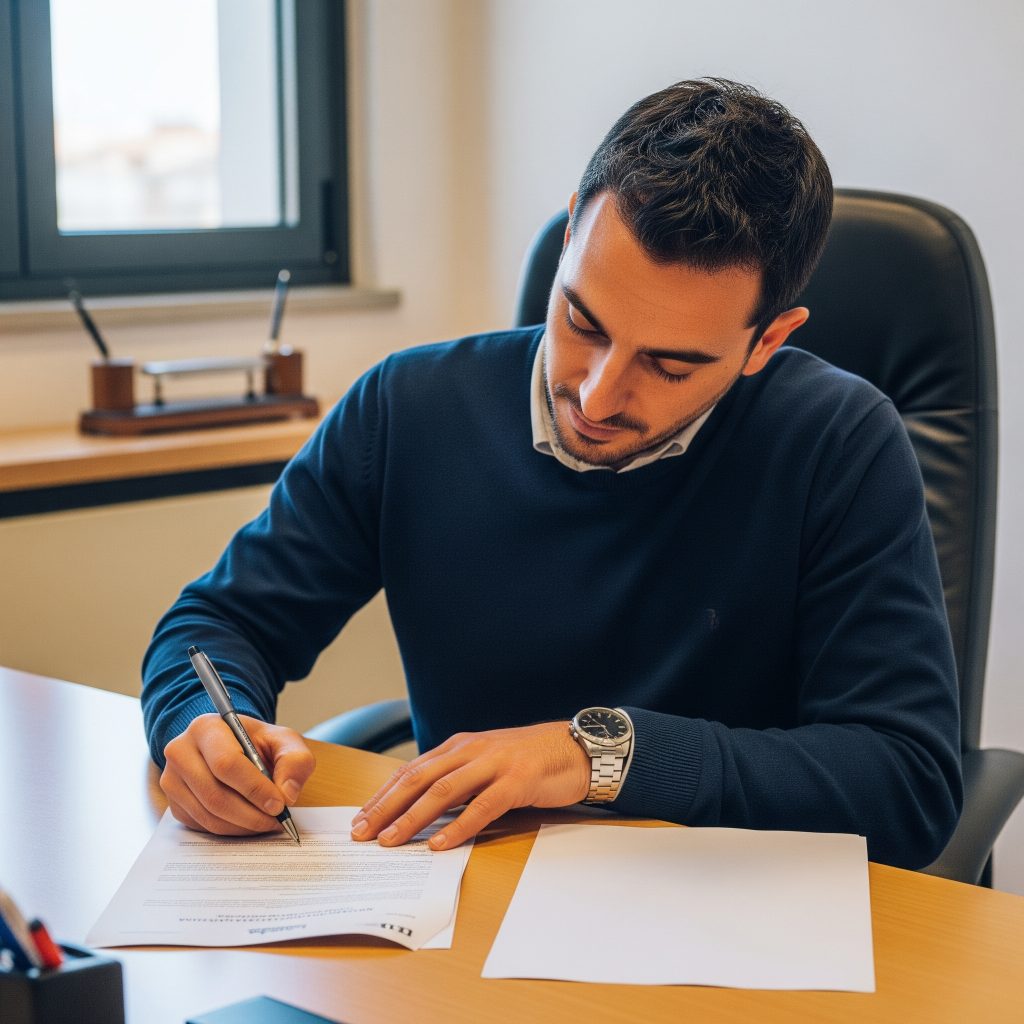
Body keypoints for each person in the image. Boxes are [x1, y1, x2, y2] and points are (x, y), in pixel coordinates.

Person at [142, 78, 961, 869]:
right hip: (465, 909)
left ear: (767, 342)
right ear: (571, 235)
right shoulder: (408, 407)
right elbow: (221, 624)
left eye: (670, 366)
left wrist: (600, 754)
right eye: (582, 321)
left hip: (725, 923)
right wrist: (204, 725)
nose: (599, 394)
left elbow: (905, 784)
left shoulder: (839, 444)